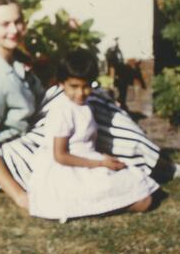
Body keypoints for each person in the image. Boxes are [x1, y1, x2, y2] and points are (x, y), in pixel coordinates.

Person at [0, 0, 180, 211]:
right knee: (81, 100)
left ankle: (149, 160)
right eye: (5, 24)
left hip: (36, 135)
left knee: (90, 97)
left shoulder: (14, 61)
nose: (14, 30)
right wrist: (20, 197)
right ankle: (151, 165)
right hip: (19, 154)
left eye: (18, 21)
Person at [27, 49, 158, 221]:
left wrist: (104, 159)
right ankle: (95, 207)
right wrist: (99, 163)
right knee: (142, 200)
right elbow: (60, 156)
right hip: (67, 169)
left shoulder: (85, 106)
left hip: (87, 161)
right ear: (61, 84)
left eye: (86, 86)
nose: (81, 93)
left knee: (140, 185)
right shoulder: (62, 110)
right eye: (74, 87)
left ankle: (103, 204)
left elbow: (85, 143)